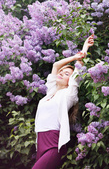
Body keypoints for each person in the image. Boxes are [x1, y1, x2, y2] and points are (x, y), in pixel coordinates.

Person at [32, 34, 94, 169]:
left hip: (54, 145)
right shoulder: (50, 93)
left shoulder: (69, 94)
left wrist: (84, 48)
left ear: (70, 81)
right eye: (62, 72)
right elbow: (55, 65)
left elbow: (78, 68)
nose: (61, 73)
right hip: (41, 142)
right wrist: (73, 57)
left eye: (67, 74)